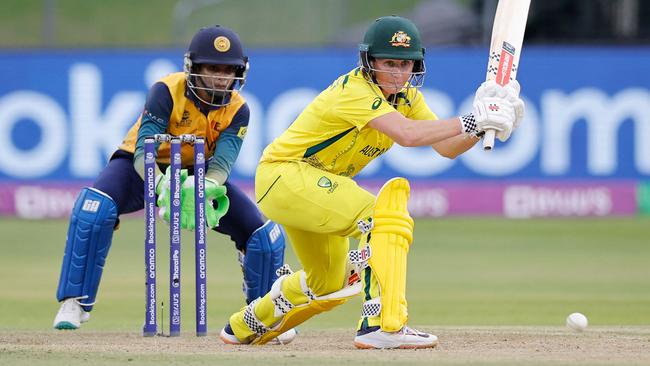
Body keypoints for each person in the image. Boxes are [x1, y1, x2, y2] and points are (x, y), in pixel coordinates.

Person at [218, 16, 524, 349]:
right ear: (369, 62)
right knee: (380, 215)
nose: (397, 72)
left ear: (415, 65)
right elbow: (407, 135)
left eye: (405, 64)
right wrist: (471, 118)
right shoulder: (355, 90)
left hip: (313, 186)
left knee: (328, 283)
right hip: (285, 174)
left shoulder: (408, 98)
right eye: (388, 62)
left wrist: (483, 126)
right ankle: (382, 324)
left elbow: (446, 147)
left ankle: (246, 324)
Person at [53, 25, 295, 343]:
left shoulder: (239, 109)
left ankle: (263, 315)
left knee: (264, 235)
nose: (222, 77)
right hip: (141, 169)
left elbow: (222, 164)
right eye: (213, 68)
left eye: (228, 70)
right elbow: (142, 152)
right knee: (93, 209)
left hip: (198, 172)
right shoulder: (166, 90)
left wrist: (202, 187)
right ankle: (75, 302)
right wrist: (164, 183)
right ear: (194, 68)